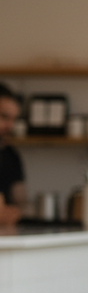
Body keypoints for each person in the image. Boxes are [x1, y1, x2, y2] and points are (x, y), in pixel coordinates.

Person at [0, 83, 27, 227]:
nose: (10, 125)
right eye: (4, 117)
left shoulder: (11, 155)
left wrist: (16, 212)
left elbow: (21, 201)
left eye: (14, 119)